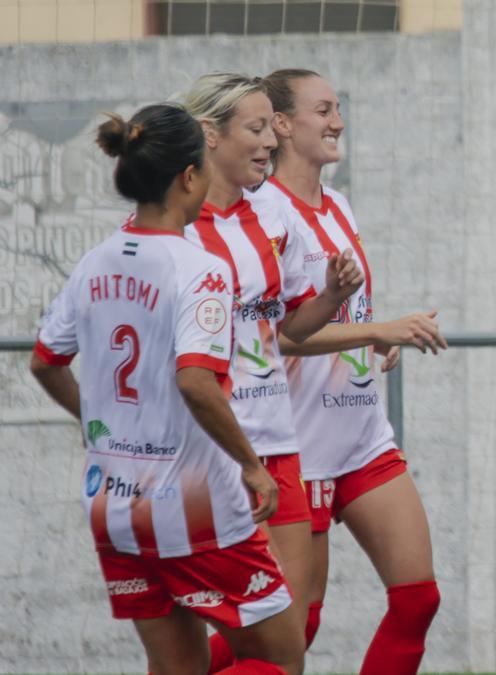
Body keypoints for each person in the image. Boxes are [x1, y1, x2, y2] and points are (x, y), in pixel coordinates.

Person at [30, 104, 303, 674]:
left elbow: (45, 362)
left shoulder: (95, 260)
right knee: (282, 661)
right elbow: (196, 382)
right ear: (188, 176)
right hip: (193, 503)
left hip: (113, 502)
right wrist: (253, 466)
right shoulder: (198, 267)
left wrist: (96, 424)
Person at [255, 68, 448, 674]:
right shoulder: (263, 213)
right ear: (282, 124)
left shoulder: (337, 204)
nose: (338, 121)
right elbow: (278, 336)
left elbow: (345, 310)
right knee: (295, 629)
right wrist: (374, 330)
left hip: (362, 437)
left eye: (338, 107)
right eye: (323, 110)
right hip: (300, 445)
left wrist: (377, 341)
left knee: (418, 598)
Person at [178, 72, 364, 671]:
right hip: (212, 453)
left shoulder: (270, 219)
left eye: (269, 128)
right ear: (209, 136)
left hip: (279, 446)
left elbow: (282, 330)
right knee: (228, 643)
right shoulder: (176, 233)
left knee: (288, 646)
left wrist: (333, 298)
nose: (268, 143)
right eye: (255, 129)